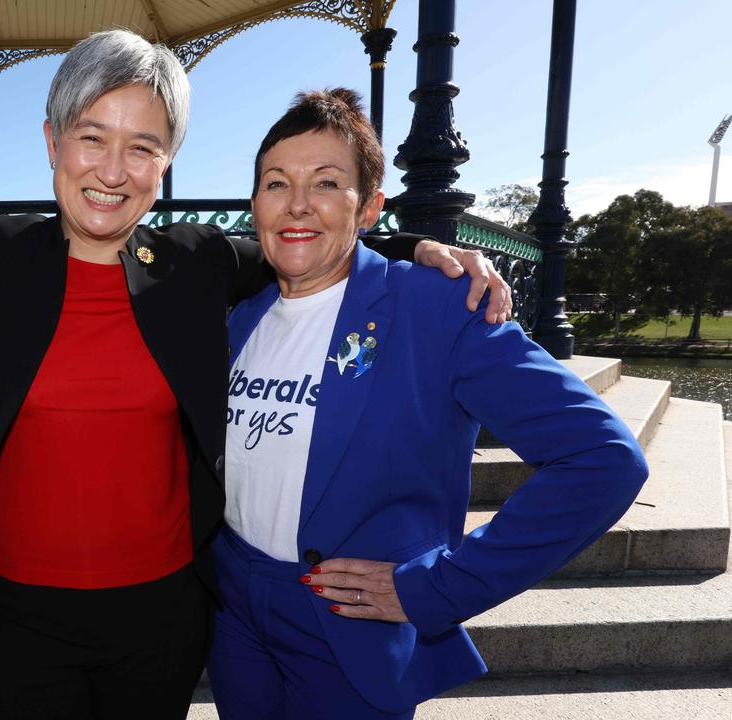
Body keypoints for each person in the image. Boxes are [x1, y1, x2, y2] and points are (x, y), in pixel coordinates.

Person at [0, 31, 512, 719]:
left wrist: (412, 249)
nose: (112, 170)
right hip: (14, 624)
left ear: (166, 162)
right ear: (52, 142)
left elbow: (311, 243)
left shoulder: (197, 264)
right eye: (91, 138)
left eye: (142, 147)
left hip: (161, 618)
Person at [208, 88, 648, 719]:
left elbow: (604, 459)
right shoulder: (239, 317)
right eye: (277, 183)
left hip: (347, 629)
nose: (298, 203)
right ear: (255, 204)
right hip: (238, 619)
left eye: (327, 182)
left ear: (369, 208)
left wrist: (436, 587)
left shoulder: (439, 309)